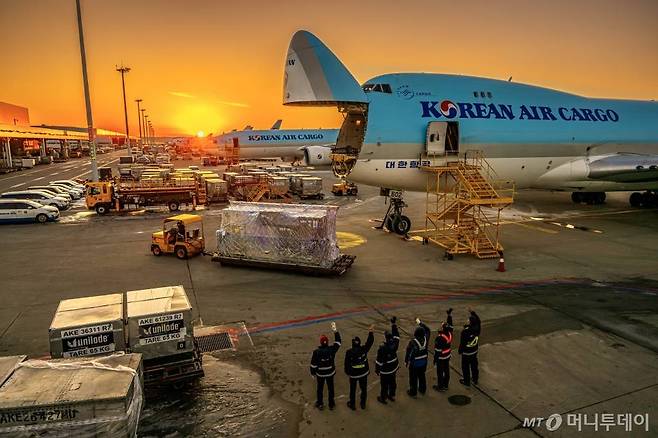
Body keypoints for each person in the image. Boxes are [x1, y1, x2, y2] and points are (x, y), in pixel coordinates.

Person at [310, 322, 341, 410]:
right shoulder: (332, 350)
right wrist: (335, 331)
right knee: (331, 388)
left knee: (320, 389)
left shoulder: (316, 352)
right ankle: (331, 404)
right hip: (330, 372)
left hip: (320, 374)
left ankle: (320, 403)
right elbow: (338, 342)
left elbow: (313, 364)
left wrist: (313, 373)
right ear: (327, 342)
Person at [344, 325, 374, 410]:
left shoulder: (349, 352)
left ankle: (352, 404)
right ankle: (363, 404)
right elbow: (370, 342)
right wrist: (371, 332)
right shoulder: (363, 349)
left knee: (353, 390)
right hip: (363, 373)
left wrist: (347, 372)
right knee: (364, 389)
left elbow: (346, 363)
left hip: (354, 374)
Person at [375, 316, 400, 404]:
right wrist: (393, 324)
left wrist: (377, 369)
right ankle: (391, 395)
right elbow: (397, 336)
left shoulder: (382, 348)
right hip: (393, 367)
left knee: (384, 385)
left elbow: (379, 361)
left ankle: (383, 398)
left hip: (385, 370)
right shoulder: (395, 343)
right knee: (393, 383)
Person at [405, 317, 431, 397]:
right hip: (424, 362)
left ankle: (413, 392)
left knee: (413, 378)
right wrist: (420, 323)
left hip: (414, 364)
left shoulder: (413, 342)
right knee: (422, 375)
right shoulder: (426, 339)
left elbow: (408, 352)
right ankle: (422, 389)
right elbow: (428, 330)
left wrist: (406, 361)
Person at [432, 308, 454, 391]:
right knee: (446, 370)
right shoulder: (449, 333)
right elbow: (450, 325)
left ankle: (440, 386)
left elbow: (437, 351)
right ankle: (446, 385)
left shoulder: (440, 338)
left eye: (441, 326)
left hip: (441, 357)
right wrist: (449, 316)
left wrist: (435, 360)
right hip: (447, 355)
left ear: (443, 329)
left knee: (440, 372)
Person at [458, 309, 481, 387]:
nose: (467, 320)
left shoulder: (465, 332)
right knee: (474, 366)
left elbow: (463, 343)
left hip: (467, 353)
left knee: (465, 367)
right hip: (474, 351)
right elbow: (479, 321)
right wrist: (473, 313)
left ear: (470, 322)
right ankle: (475, 379)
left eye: (468, 319)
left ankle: (466, 381)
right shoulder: (477, 328)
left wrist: (460, 351)